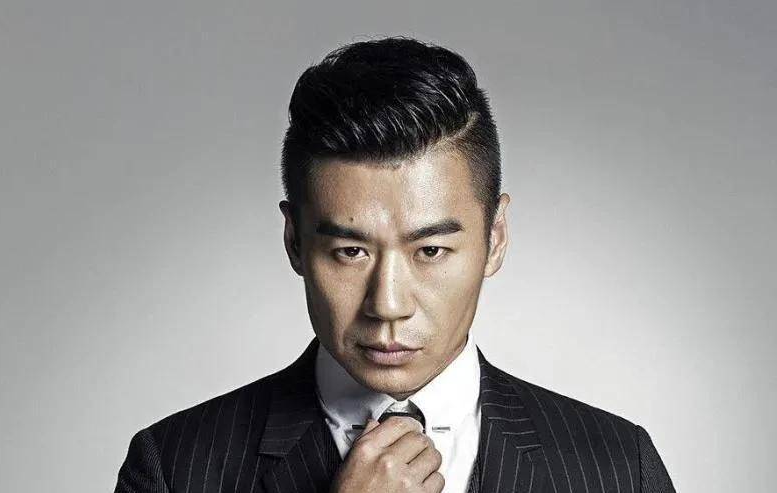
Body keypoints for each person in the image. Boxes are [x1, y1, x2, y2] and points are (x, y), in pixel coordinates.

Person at [114, 37, 675, 493]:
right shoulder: (173, 468)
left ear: (495, 238)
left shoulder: (619, 468)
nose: (387, 305)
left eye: (430, 251)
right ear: (294, 242)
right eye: (350, 252)